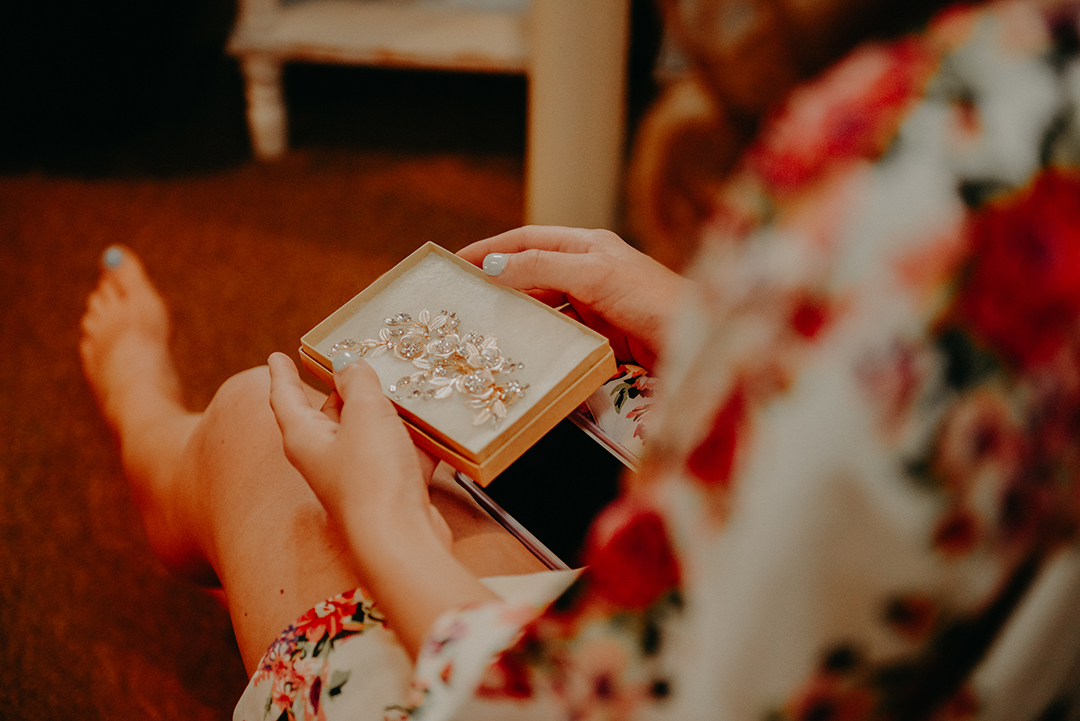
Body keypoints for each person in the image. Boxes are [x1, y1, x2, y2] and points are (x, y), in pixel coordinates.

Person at [79, 0, 1080, 718]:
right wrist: (707, 328)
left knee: (263, 426)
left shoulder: (920, 143)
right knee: (562, 413)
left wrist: (384, 523)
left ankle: (157, 438)